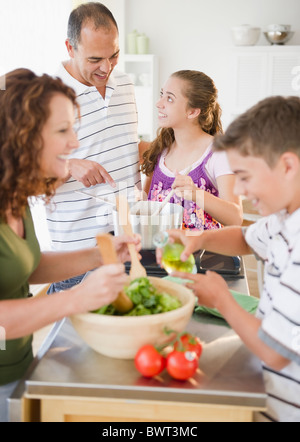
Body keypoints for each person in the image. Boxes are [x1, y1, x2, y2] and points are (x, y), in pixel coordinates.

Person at [0, 68, 140, 422]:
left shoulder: (13, 196)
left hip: (15, 366)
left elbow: (24, 267)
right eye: (63, 131)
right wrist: (76, 298)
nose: (75, 143)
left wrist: (100, 254)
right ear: (22, 137)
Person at [162, 96, 300, 422]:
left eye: (245, 176)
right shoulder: (283, 219)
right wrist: (201, 239)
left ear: (288, 166)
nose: (238, 188)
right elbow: (246, 238)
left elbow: (275, 352)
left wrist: (222, 300)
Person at [46, 2, 148, 292]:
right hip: (77, 259)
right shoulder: (46, 98)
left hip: (129, 247)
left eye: (113, 55)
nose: (106, 67)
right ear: (70, 47)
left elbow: (123, 146)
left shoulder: (126, 85)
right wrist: (68, 166)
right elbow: (19, 175)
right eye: (94, 59)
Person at [141, 70, 243, 231]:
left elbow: (235, 218)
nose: (158, 103)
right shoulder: (160, 148)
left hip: (205, 254)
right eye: (162, 94)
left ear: (193, 112)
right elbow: (145, 204)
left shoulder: (219, 153)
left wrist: (195, 194)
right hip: (164, 251)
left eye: (169, 98)